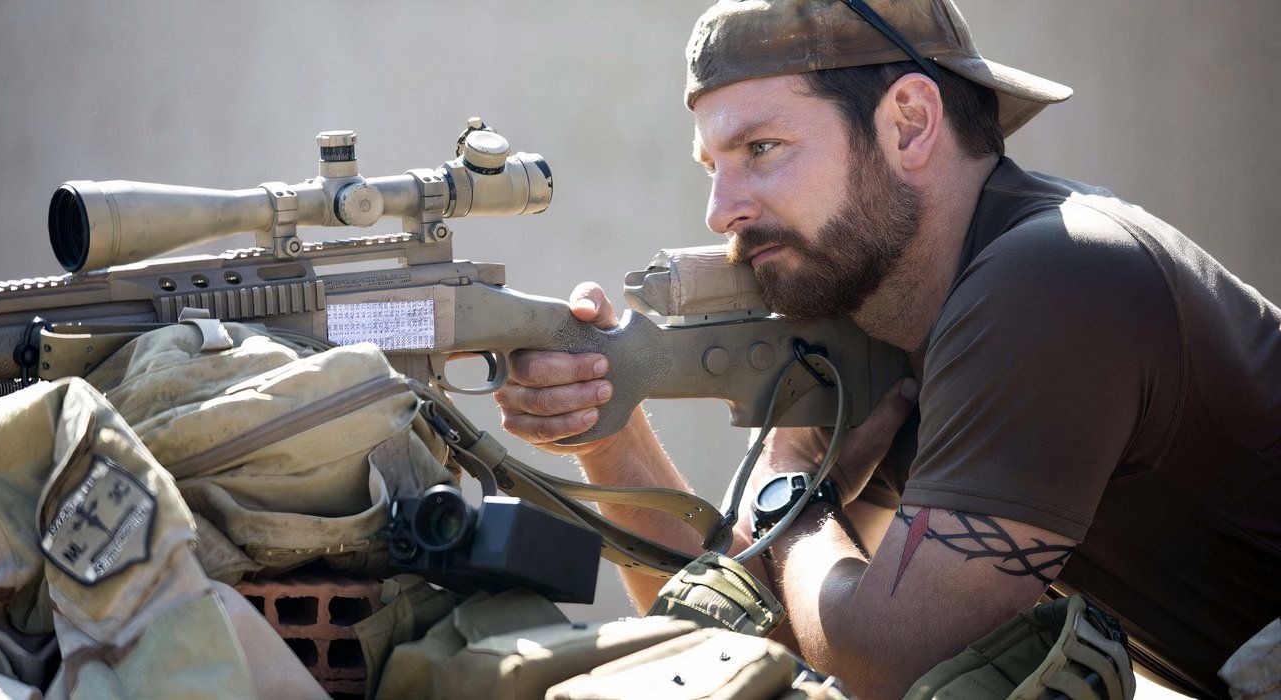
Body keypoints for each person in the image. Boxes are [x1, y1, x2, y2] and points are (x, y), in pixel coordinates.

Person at [491, 1, 1281, 698]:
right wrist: (608, 426)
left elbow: (889, 664)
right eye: (714, 166)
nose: (720, 211)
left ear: (908, 122)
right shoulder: (888, 321)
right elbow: (743, 643)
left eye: (761, 149)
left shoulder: (1051, 275)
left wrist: (796, 494)